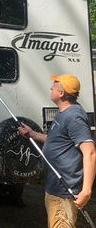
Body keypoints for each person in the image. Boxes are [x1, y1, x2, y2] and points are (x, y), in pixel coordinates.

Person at [18, 74, 96, 228]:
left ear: (61, 93)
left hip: (64, 189)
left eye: (54, 85)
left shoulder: (74, 117)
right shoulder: (63, 114)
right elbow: (55, 140)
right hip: (55, 188)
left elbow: (90, 152)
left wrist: (86, 190)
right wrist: (32, 134)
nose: (50, 88)